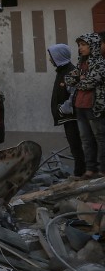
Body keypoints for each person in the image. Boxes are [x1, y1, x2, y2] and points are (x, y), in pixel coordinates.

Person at [64, 33, 105, 177]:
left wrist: (79, 80)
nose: (80, 48)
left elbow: (89, 83)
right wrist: (79, 79)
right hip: (80, 106)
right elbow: (68, 79)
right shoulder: (81, 63)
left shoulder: (100, 64)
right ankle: (90, 169)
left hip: (94, 107)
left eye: (84, 45)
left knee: (100, 138)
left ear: (93, 45)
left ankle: (102, 170)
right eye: (79, 45)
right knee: (86, 139)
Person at [48, 44, 85, 179]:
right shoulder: (61, 71)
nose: (50, 59)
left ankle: (80, 173)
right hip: (67, 116)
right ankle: (80, 171)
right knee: (74, 144)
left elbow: (73, 94)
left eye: (51, 56)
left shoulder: (70, 72)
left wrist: (64, 108)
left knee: (76, 144)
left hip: (72, 116)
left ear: (58, 56)